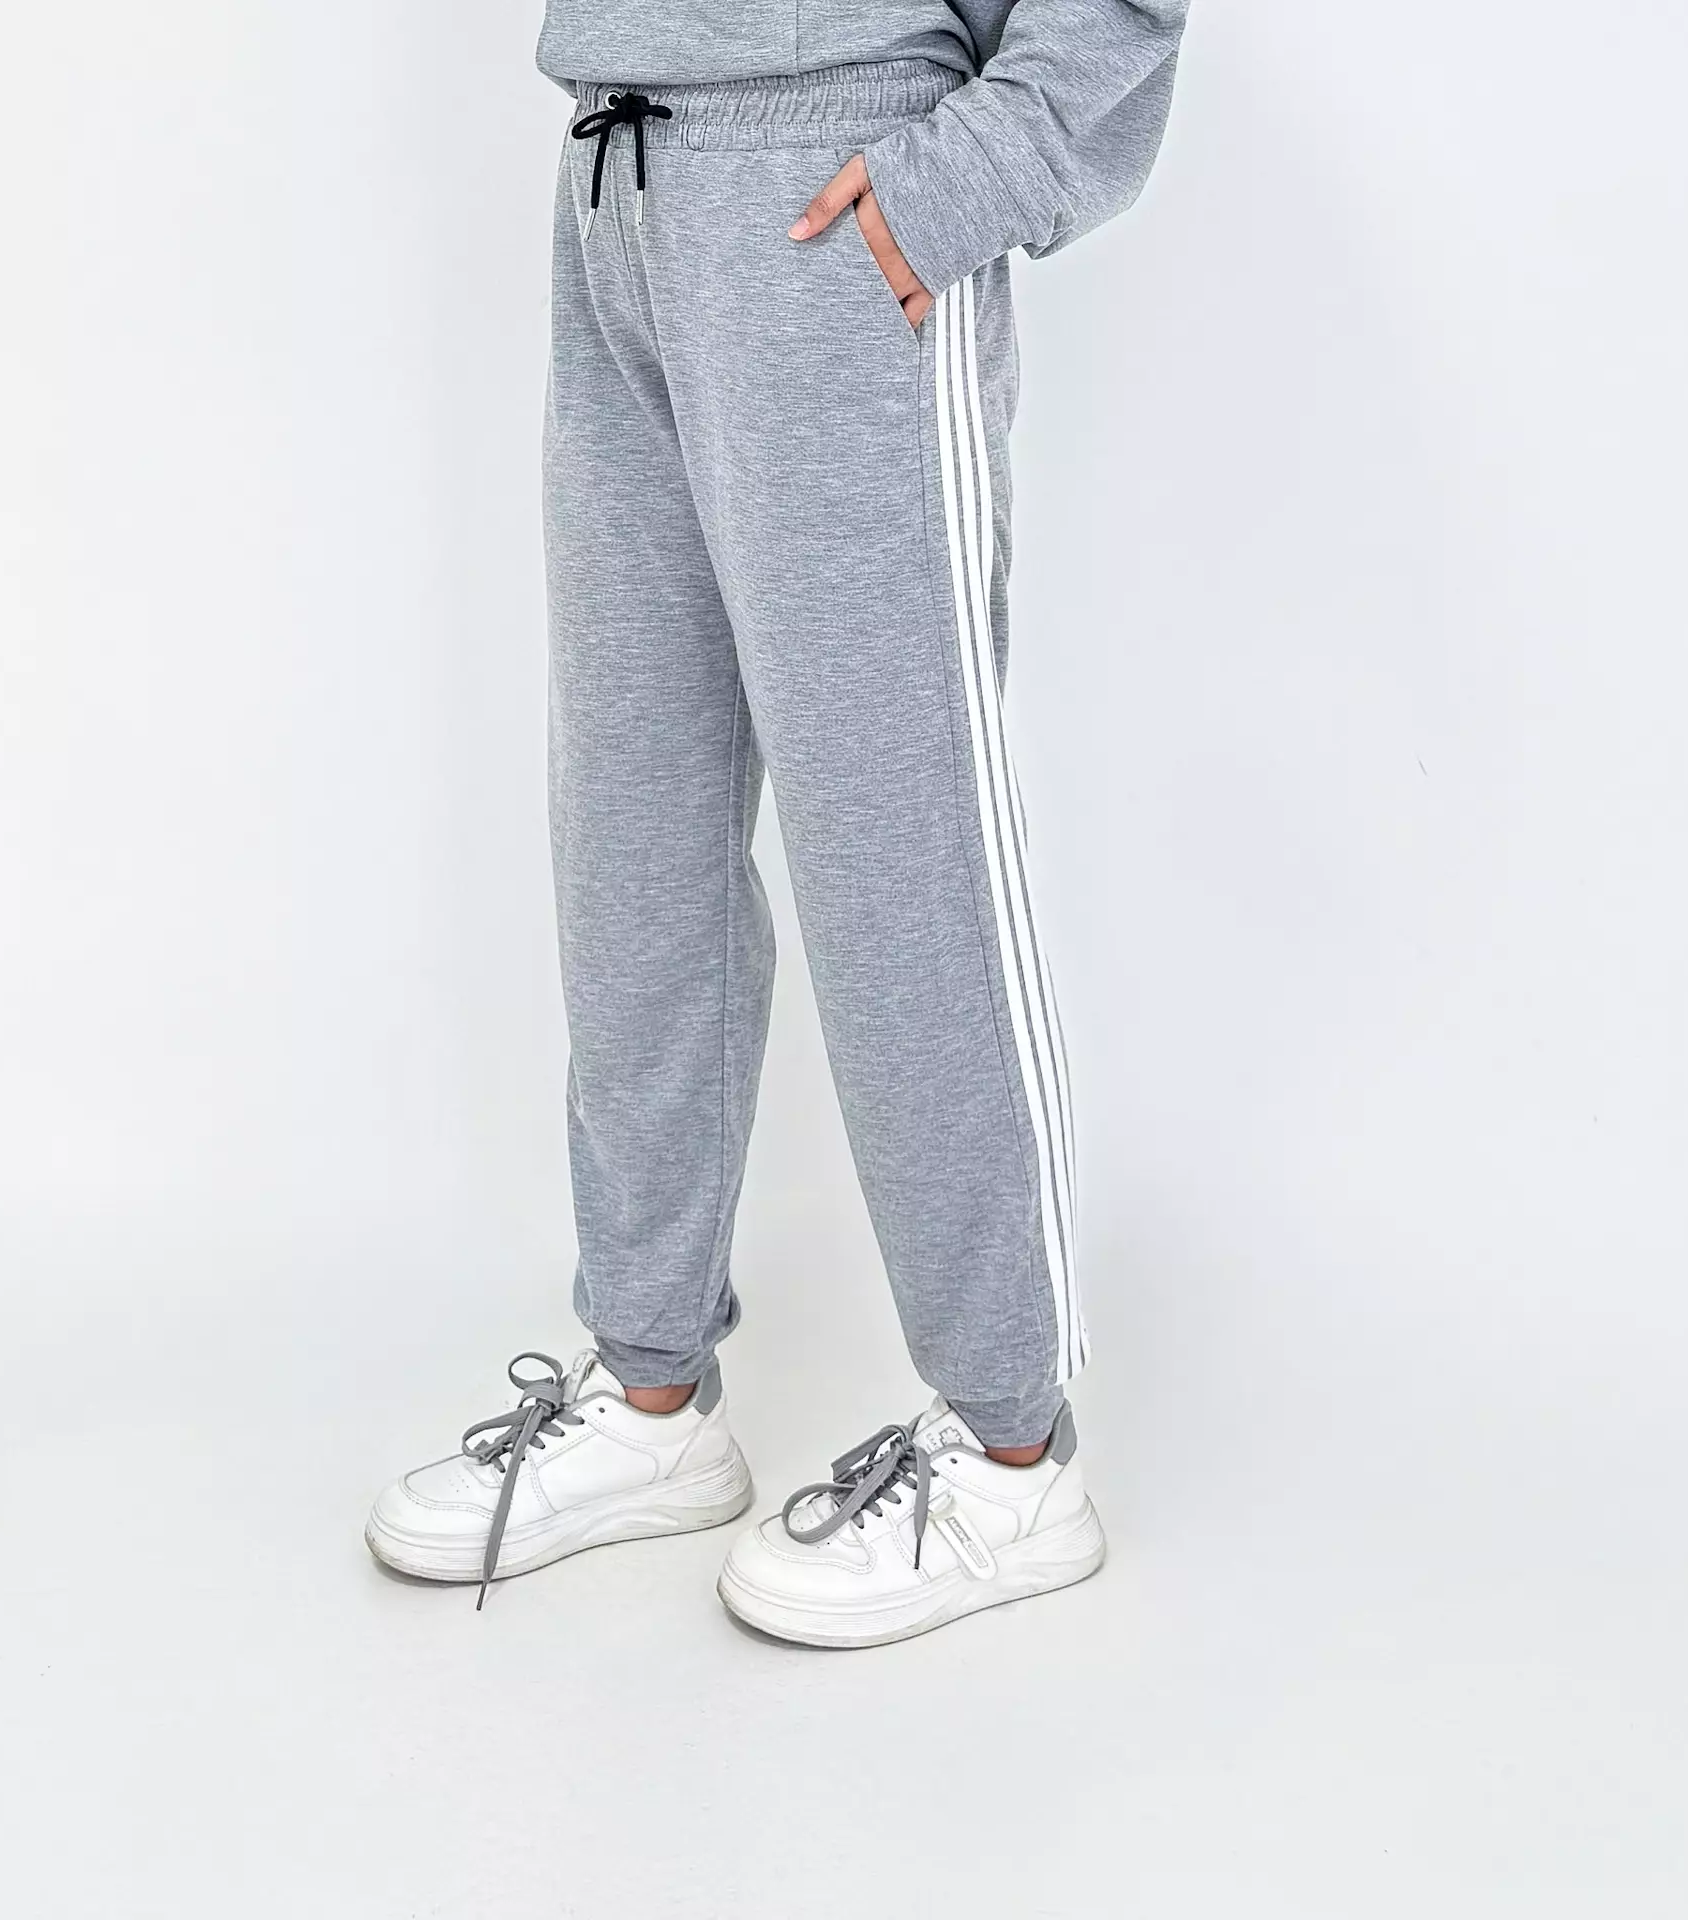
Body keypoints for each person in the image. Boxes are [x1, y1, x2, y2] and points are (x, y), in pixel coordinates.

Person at [366, 0, 1189, 1647]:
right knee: (633, 830)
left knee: (897, 838)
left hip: (836, 184)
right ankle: (651, 1394)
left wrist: (968, 178)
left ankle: (1013, 1455)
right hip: (620, 171)